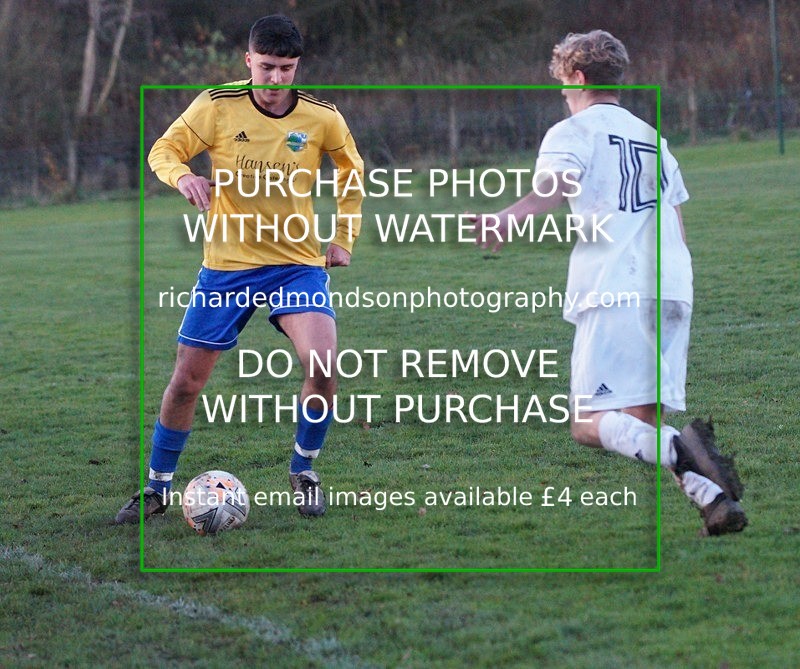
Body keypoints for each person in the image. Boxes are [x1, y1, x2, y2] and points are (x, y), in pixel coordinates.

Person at [470, 30, 746, 536]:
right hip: (673, 285)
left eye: (562, 84)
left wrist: (508, 216)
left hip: (615, 287)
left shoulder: (572, 131)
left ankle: (686, 452)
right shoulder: (653, 136)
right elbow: (677, 220)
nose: (563, 94)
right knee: (639, 421)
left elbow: (555, 186)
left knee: (587, 423)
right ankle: (711, 499)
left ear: (576, 77)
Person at [116, 14, 363, 522]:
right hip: (227, 267)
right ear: (248, 59)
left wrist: (342, 237)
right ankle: (158, 488)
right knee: (186, 382)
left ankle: (304, 469)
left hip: (297, 265)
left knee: (322, 364)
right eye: (267, 67)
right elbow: (163, 150)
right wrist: (183, 177)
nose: (275, 80)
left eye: (286, 69)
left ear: (298, 66)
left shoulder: (323, 118)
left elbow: (351, 171)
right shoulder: (216, 106)